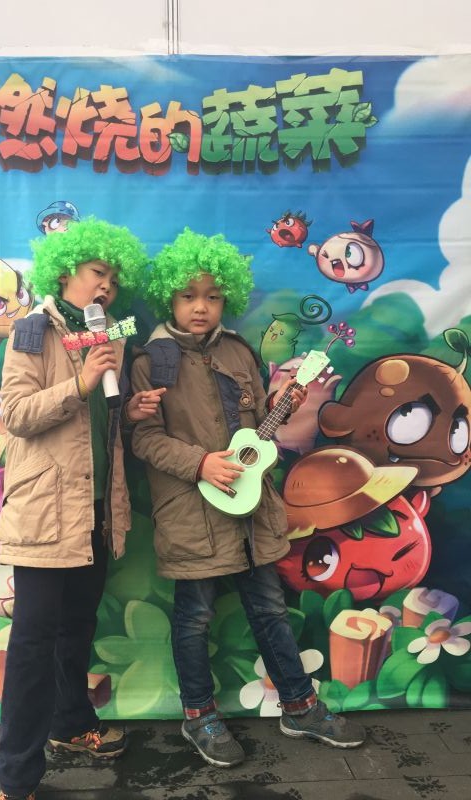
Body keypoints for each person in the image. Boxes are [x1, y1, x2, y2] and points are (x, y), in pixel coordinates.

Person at [131, 228, 366, 768]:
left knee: (270, 610)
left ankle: (299, 706)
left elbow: (260, 427)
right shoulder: (151, 361)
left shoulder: (238, 352)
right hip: (191, 516)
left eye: (213, 297)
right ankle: (199, 716)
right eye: (189, 296)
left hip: (251, 514)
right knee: (194, 619)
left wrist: (283, 411)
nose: (201, 307)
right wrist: (200, 463)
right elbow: (142, 438)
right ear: (169, 297)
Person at [0, 218, 165, 800]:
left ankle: (70, 725)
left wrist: (129, 412)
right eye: (98, 272)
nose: (107, 286)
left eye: (114, 278)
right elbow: (16, 415)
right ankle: (16, 778)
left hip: (97, 512)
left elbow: (100, 425)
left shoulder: (111, 335)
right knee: (33, 644)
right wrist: (81, 382)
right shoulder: (32, 330)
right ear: (66, 270)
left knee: (77, 629)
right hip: (45, 515)